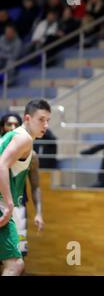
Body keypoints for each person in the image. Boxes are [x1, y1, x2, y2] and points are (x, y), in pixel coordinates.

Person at [0, 99, 51, 276]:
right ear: (28, 118)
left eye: (48, 120)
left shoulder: (13, 137)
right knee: (15, 265)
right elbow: (1, 165)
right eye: (41, 119)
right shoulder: (24, 139)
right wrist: (9, 203)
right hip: (2, 203)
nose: (45, 124)